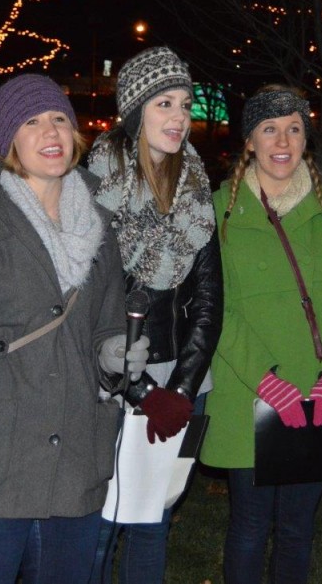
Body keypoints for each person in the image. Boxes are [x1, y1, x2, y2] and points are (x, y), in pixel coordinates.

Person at [0, 73, 150, 583]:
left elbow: (103, 325)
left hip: (76, 470)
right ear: (8, 141)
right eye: (32, 121)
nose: (51, 132)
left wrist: (112, 353)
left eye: (60, 119)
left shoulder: (101, 226)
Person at [201, 85, 322, 583]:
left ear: (305, 139)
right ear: (249, 140)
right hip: (246, 392)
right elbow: (218, 309)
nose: (283, 140)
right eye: (269, 128)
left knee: (297, 530)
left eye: (294, 128)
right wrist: (266, 381)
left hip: (319, 397)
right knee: (250, 526)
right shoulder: (217, 210)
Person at [86, 46, 223, 583]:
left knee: (154, 522)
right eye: (164, 103)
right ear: (135, 109)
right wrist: (142, 393)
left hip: (185, 377)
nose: (179, 118)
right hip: (113, 378)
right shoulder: (94, 189)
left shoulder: (196, 190)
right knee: (101, 523)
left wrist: (183, 392)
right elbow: (91, 303)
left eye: (185, 105)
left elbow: (210, 300)